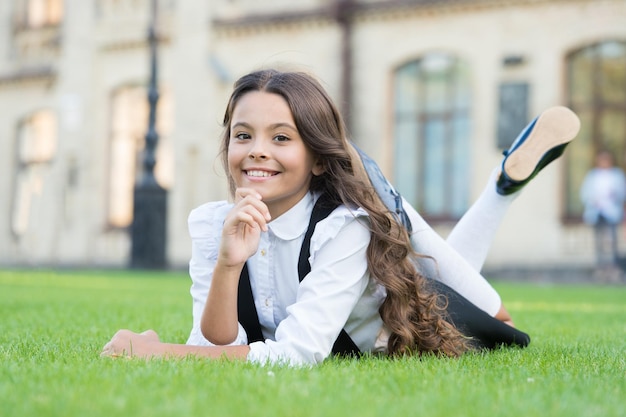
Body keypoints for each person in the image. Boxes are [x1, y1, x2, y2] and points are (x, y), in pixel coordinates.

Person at [101, 69, 580, 366]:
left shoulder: (343, 229)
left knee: (500, 320)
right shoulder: (212, 224)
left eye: (281, 138)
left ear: (316, 157)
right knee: (405, 235)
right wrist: (228, 266)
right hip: (359, 226)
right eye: (242, 136)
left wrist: (156, 352)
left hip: (403, 311)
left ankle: (489, 191)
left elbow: (296, 355)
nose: (256, 152)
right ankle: (456, 195)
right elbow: (213, 347)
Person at [580, 150, 626, 270]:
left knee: (612, 240)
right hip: (597, 211)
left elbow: (622, 192)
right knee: (599, 241)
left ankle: (613, 267)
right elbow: (585, 193)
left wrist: (613, 196)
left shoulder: (617, 175)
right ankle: (600, 267)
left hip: (612, 211)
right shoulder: (593, 175)